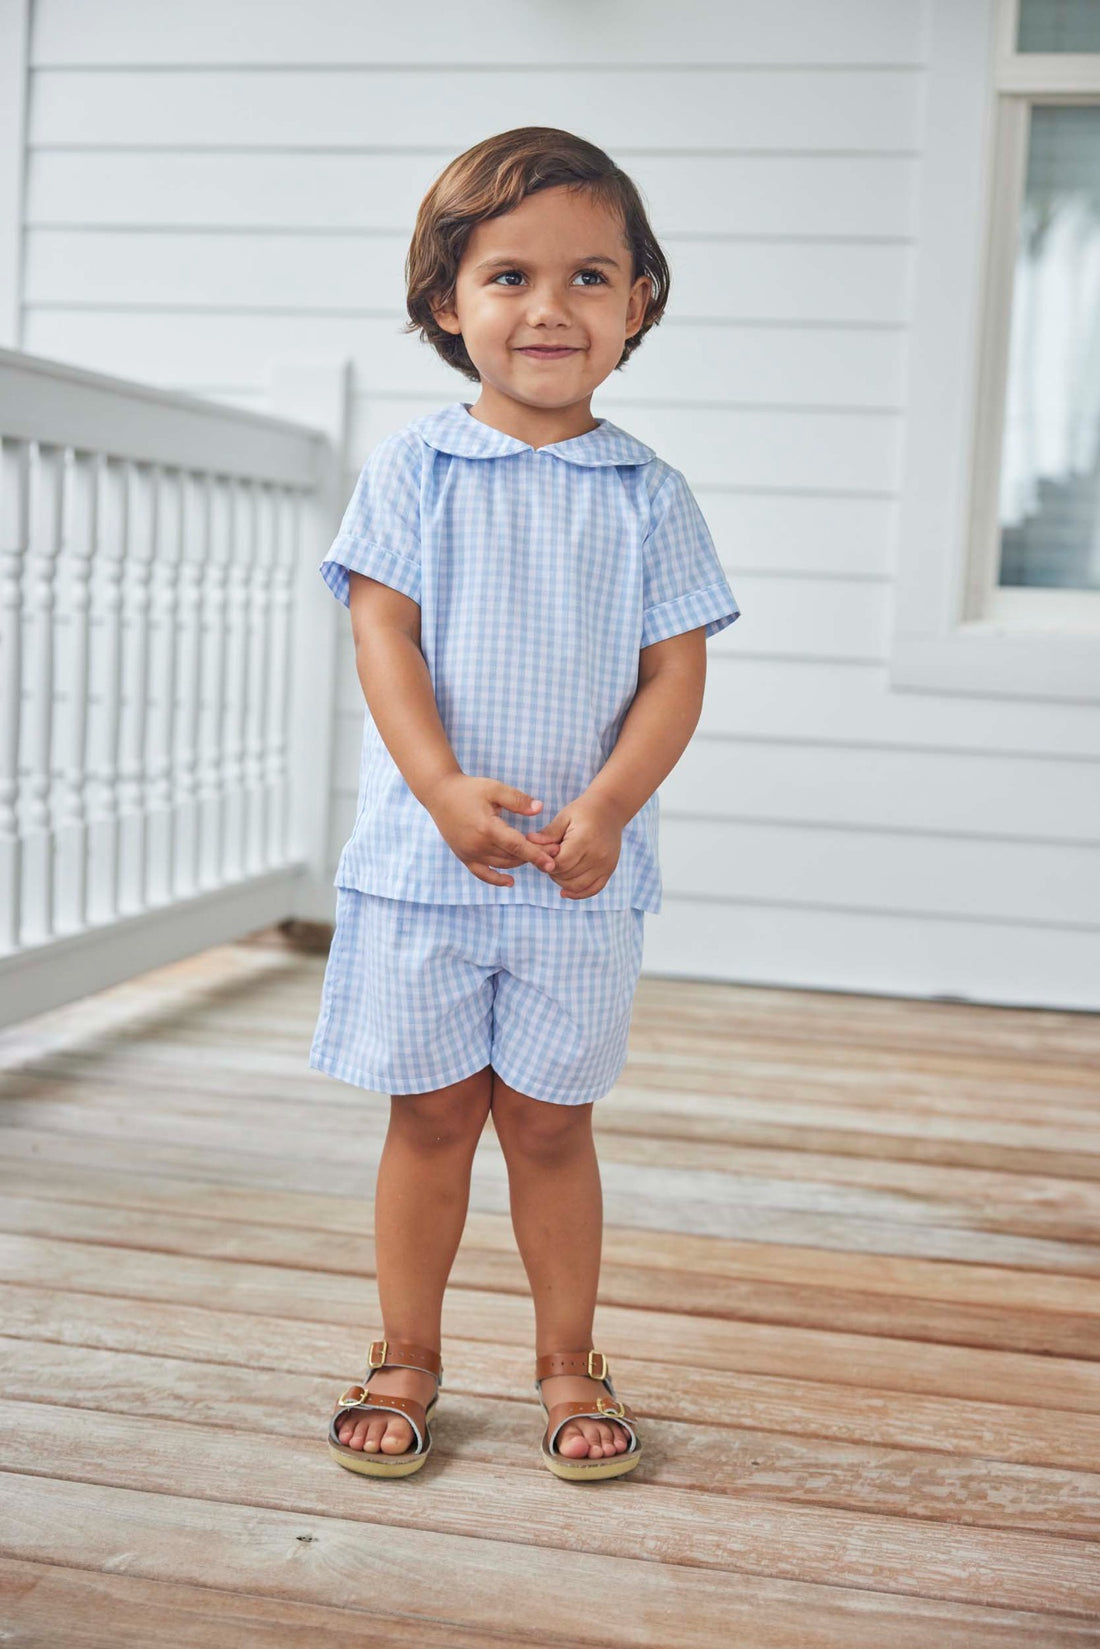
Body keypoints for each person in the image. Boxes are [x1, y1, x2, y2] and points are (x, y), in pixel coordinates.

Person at [309, 126, 740, 1482]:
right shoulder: (415, 472)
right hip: (428, 866)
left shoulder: (649, 495)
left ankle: (567, 1357)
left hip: (576, 874)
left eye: (588, 277)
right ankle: (406, 1352)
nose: (550, 308)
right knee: (433, 1115)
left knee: (551, 1122)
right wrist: (442, 789)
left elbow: (675, 674)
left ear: (638, 303)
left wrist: (608, 805)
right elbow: (383, 638)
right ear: (448, 302)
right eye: (509, 276)